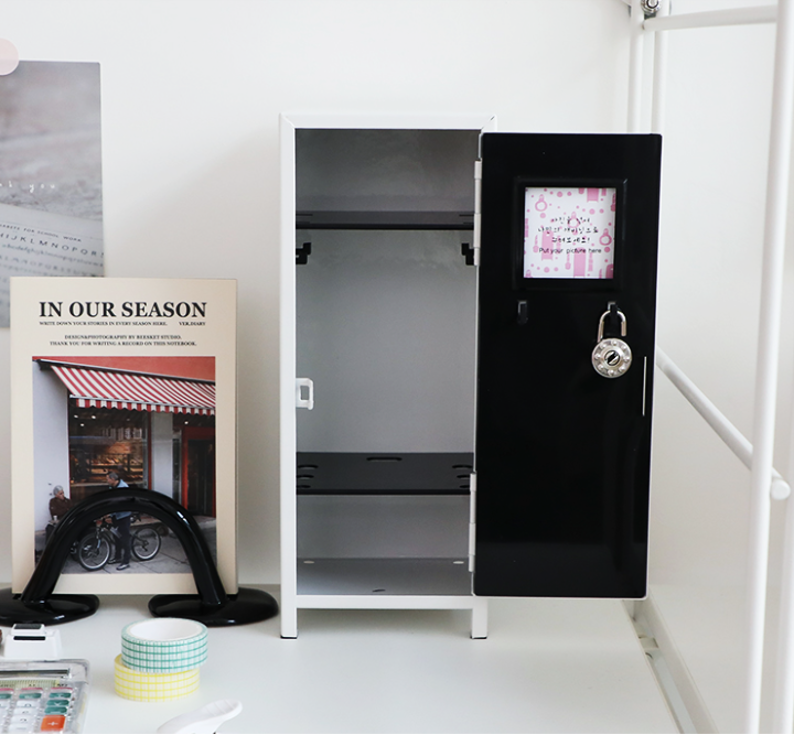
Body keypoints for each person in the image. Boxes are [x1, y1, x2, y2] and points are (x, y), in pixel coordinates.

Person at [107, 471, 131, 570]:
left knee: (125, 539)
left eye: (108, 479)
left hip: (123, 516)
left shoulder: (123, 488)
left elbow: (122, 504)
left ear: (113, 479)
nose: (107, 481)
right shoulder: (112, 487)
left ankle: (126, 561)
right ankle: (117, 557)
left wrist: (110, 513)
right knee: (116, 537)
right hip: (116, 516)